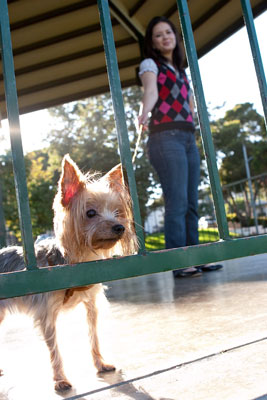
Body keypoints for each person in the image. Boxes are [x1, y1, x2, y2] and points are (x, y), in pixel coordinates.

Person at [138, 16, 223, 277]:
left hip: (187, 138)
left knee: (191, 203)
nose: (165, 37)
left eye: (168, 32)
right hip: (165, 138)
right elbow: (151, 93)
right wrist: (142, 115)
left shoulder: (181, 70)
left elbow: (189, 104)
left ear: (175, 36)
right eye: (158, 35)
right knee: (177, 202)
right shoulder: (150, 64)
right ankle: (178, 263)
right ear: (152, 42)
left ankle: (196, 257)